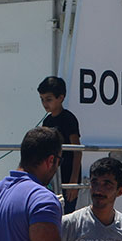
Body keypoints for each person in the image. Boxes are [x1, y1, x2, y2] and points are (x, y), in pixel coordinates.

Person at [38, 76, 82, 214]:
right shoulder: (47, 122)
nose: (45, 103)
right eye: (42, 99)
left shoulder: (68, 119)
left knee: (67, 212)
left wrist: (74, 181)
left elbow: (77, 151)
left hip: (68, 173)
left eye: (49, 99)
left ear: (61, 98)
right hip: (53, 174)